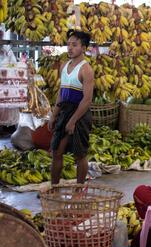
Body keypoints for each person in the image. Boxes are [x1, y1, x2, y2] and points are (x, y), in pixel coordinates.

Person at [48, 29, 94, 186]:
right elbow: (61, 93)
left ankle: (79, 189)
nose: (70, 48)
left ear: (84, 48)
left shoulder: (86, 69)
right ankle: (54, 187)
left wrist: (73, 121)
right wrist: (54, 115)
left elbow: (87, 100)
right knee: (56, 151)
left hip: (80, 114)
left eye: (74, 45)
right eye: (68, 44)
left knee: (79, 154)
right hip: (64, 111)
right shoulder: (64, 66)